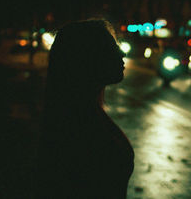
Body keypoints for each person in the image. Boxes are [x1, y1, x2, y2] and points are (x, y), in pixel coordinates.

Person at [36, 19, 134, 199]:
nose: (121, 52)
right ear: (85, 58)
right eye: (109, 48)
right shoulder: (75, 129)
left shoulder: (81, 113)